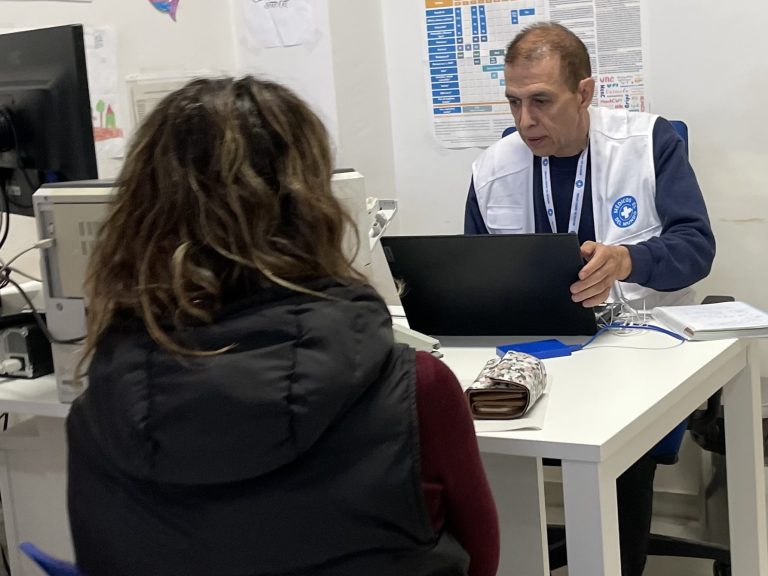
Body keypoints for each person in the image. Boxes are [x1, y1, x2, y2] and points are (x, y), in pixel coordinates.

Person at [67, 76, 499, 576]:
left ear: (142, 214)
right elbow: (481, 561)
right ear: (312, 206)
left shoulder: (100, 411)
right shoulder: (417, 391)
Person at [464, 23, 715, 576]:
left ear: (584, 92)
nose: (525, 121)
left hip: (636, 345)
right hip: (535, 347)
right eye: (513, 102)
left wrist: (630, 260)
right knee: (470, 430)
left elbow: (696, 248)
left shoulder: (648, 144)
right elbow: (474, 276)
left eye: (541, 101)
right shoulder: (492, 170)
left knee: (619, 445)